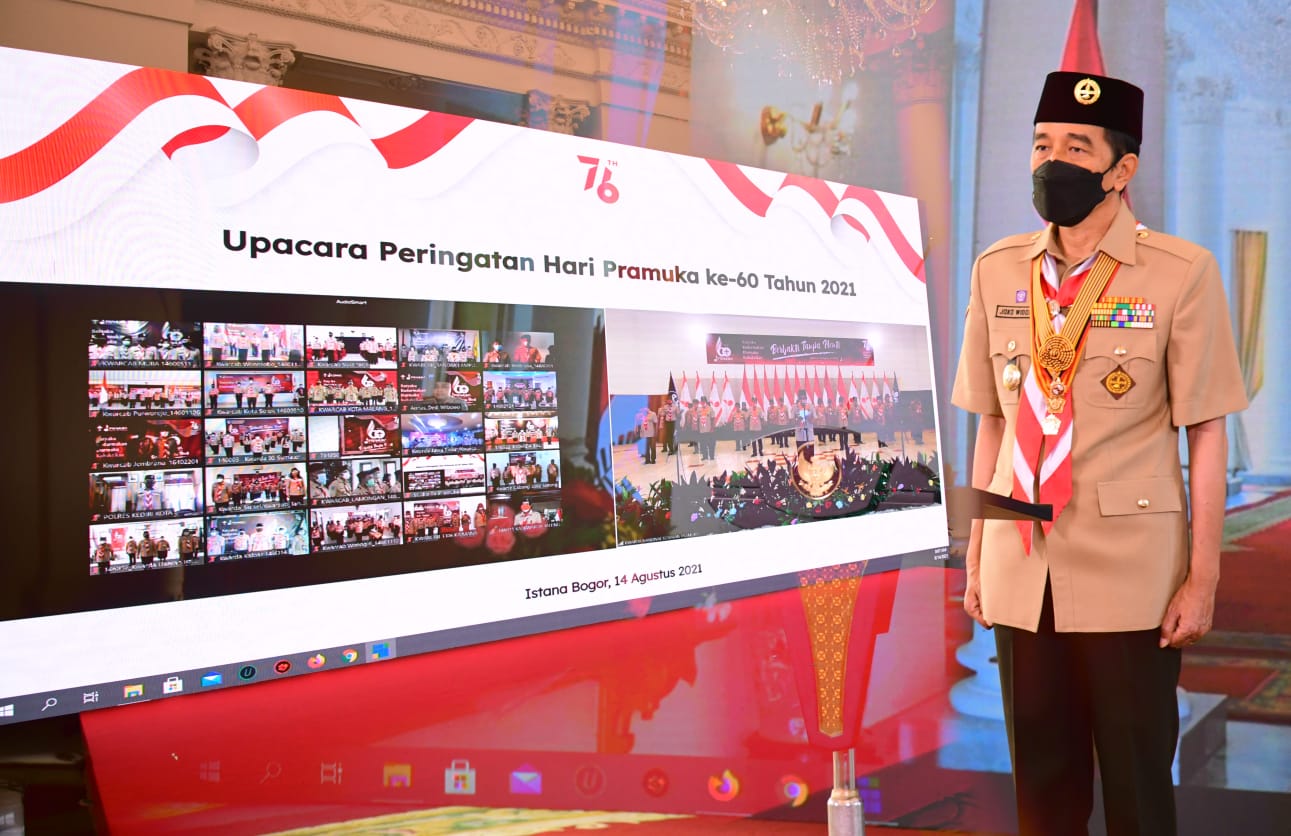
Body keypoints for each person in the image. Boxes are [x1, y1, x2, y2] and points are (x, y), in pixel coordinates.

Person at [951, 71, 1247, 836]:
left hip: (1129, 569)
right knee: (1041, 788)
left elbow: (1205, 429)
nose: (1052, 161)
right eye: (1041, 144)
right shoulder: (996, 268)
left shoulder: (1178, 272)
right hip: (1022, 563)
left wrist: (1202, 578)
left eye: (1077, 147)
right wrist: (978, 553)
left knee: (1136, 784)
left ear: (1121, 169)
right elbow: (991, 423)